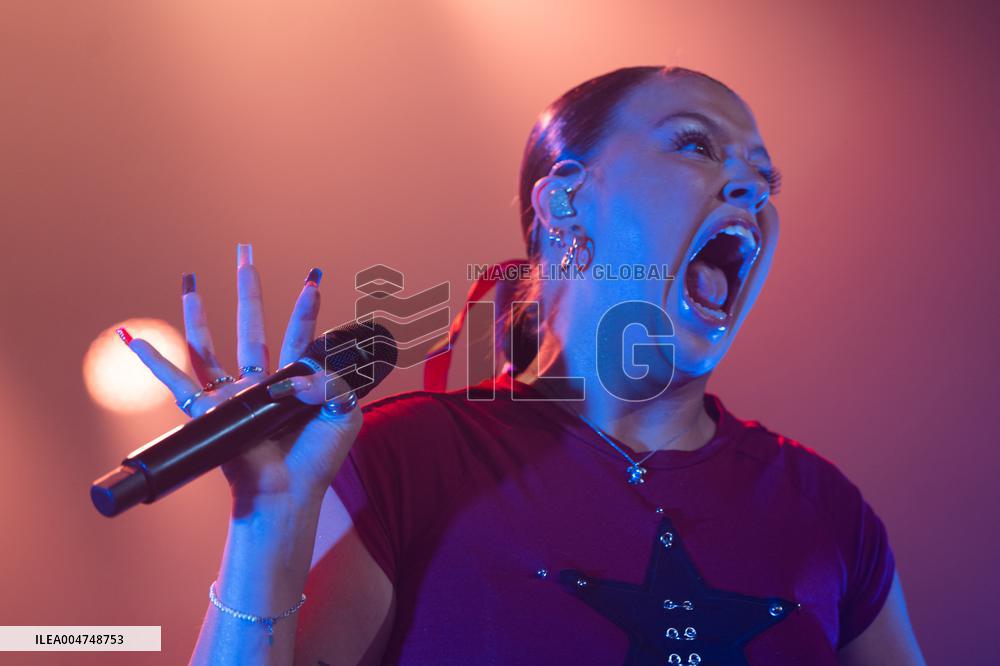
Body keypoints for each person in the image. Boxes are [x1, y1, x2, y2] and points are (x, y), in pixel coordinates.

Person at [123, 67, 925, 665]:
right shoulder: (405, 461)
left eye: (766, 178)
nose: (751, 187)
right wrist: (267, 524)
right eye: (695, 144)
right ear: (566, 201)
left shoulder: (824, 509)